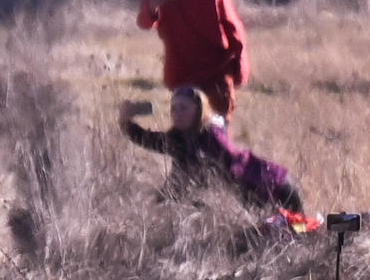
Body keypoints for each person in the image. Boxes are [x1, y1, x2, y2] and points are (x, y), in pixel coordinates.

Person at [120, 86, 302, 211]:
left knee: (300, 235)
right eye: (173, 108)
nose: (177, 113)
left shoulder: (210, 138)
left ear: (199, 110)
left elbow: (234, 174)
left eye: (183, 107)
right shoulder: (180, 139)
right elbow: (151, 141)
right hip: (260, 197)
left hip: (278, 190)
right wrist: (125, 123)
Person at [138, 0, 247, 119]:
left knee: (217, 138)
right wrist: (153, 6)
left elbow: (235, 31)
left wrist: (239, 71)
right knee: (186, 139)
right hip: (182, 79)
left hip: (216, 75)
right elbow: (144, 23)